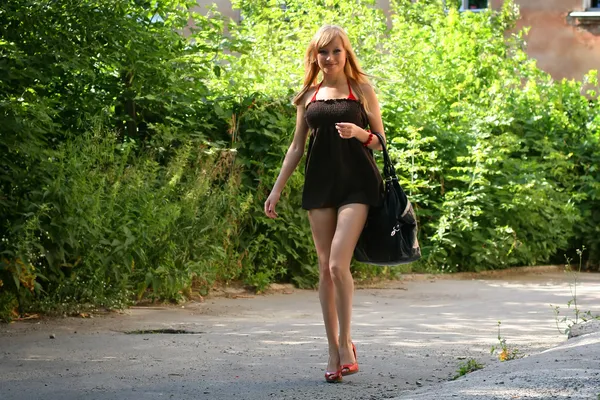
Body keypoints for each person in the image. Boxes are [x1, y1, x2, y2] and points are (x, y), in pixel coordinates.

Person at [263, 24, 385, 383]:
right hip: (320, 186)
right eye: (323, 52)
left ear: (346, 54)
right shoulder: (308, 96)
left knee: (336, 265)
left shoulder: (361, 89)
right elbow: (296, 148)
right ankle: (332, 349)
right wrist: (276, 189)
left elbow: (380, 140)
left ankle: (346, 343)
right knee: (322, 268)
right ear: (314, 56)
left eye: (336, 51)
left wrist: (361, 134)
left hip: (358, 185)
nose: (329, 58)